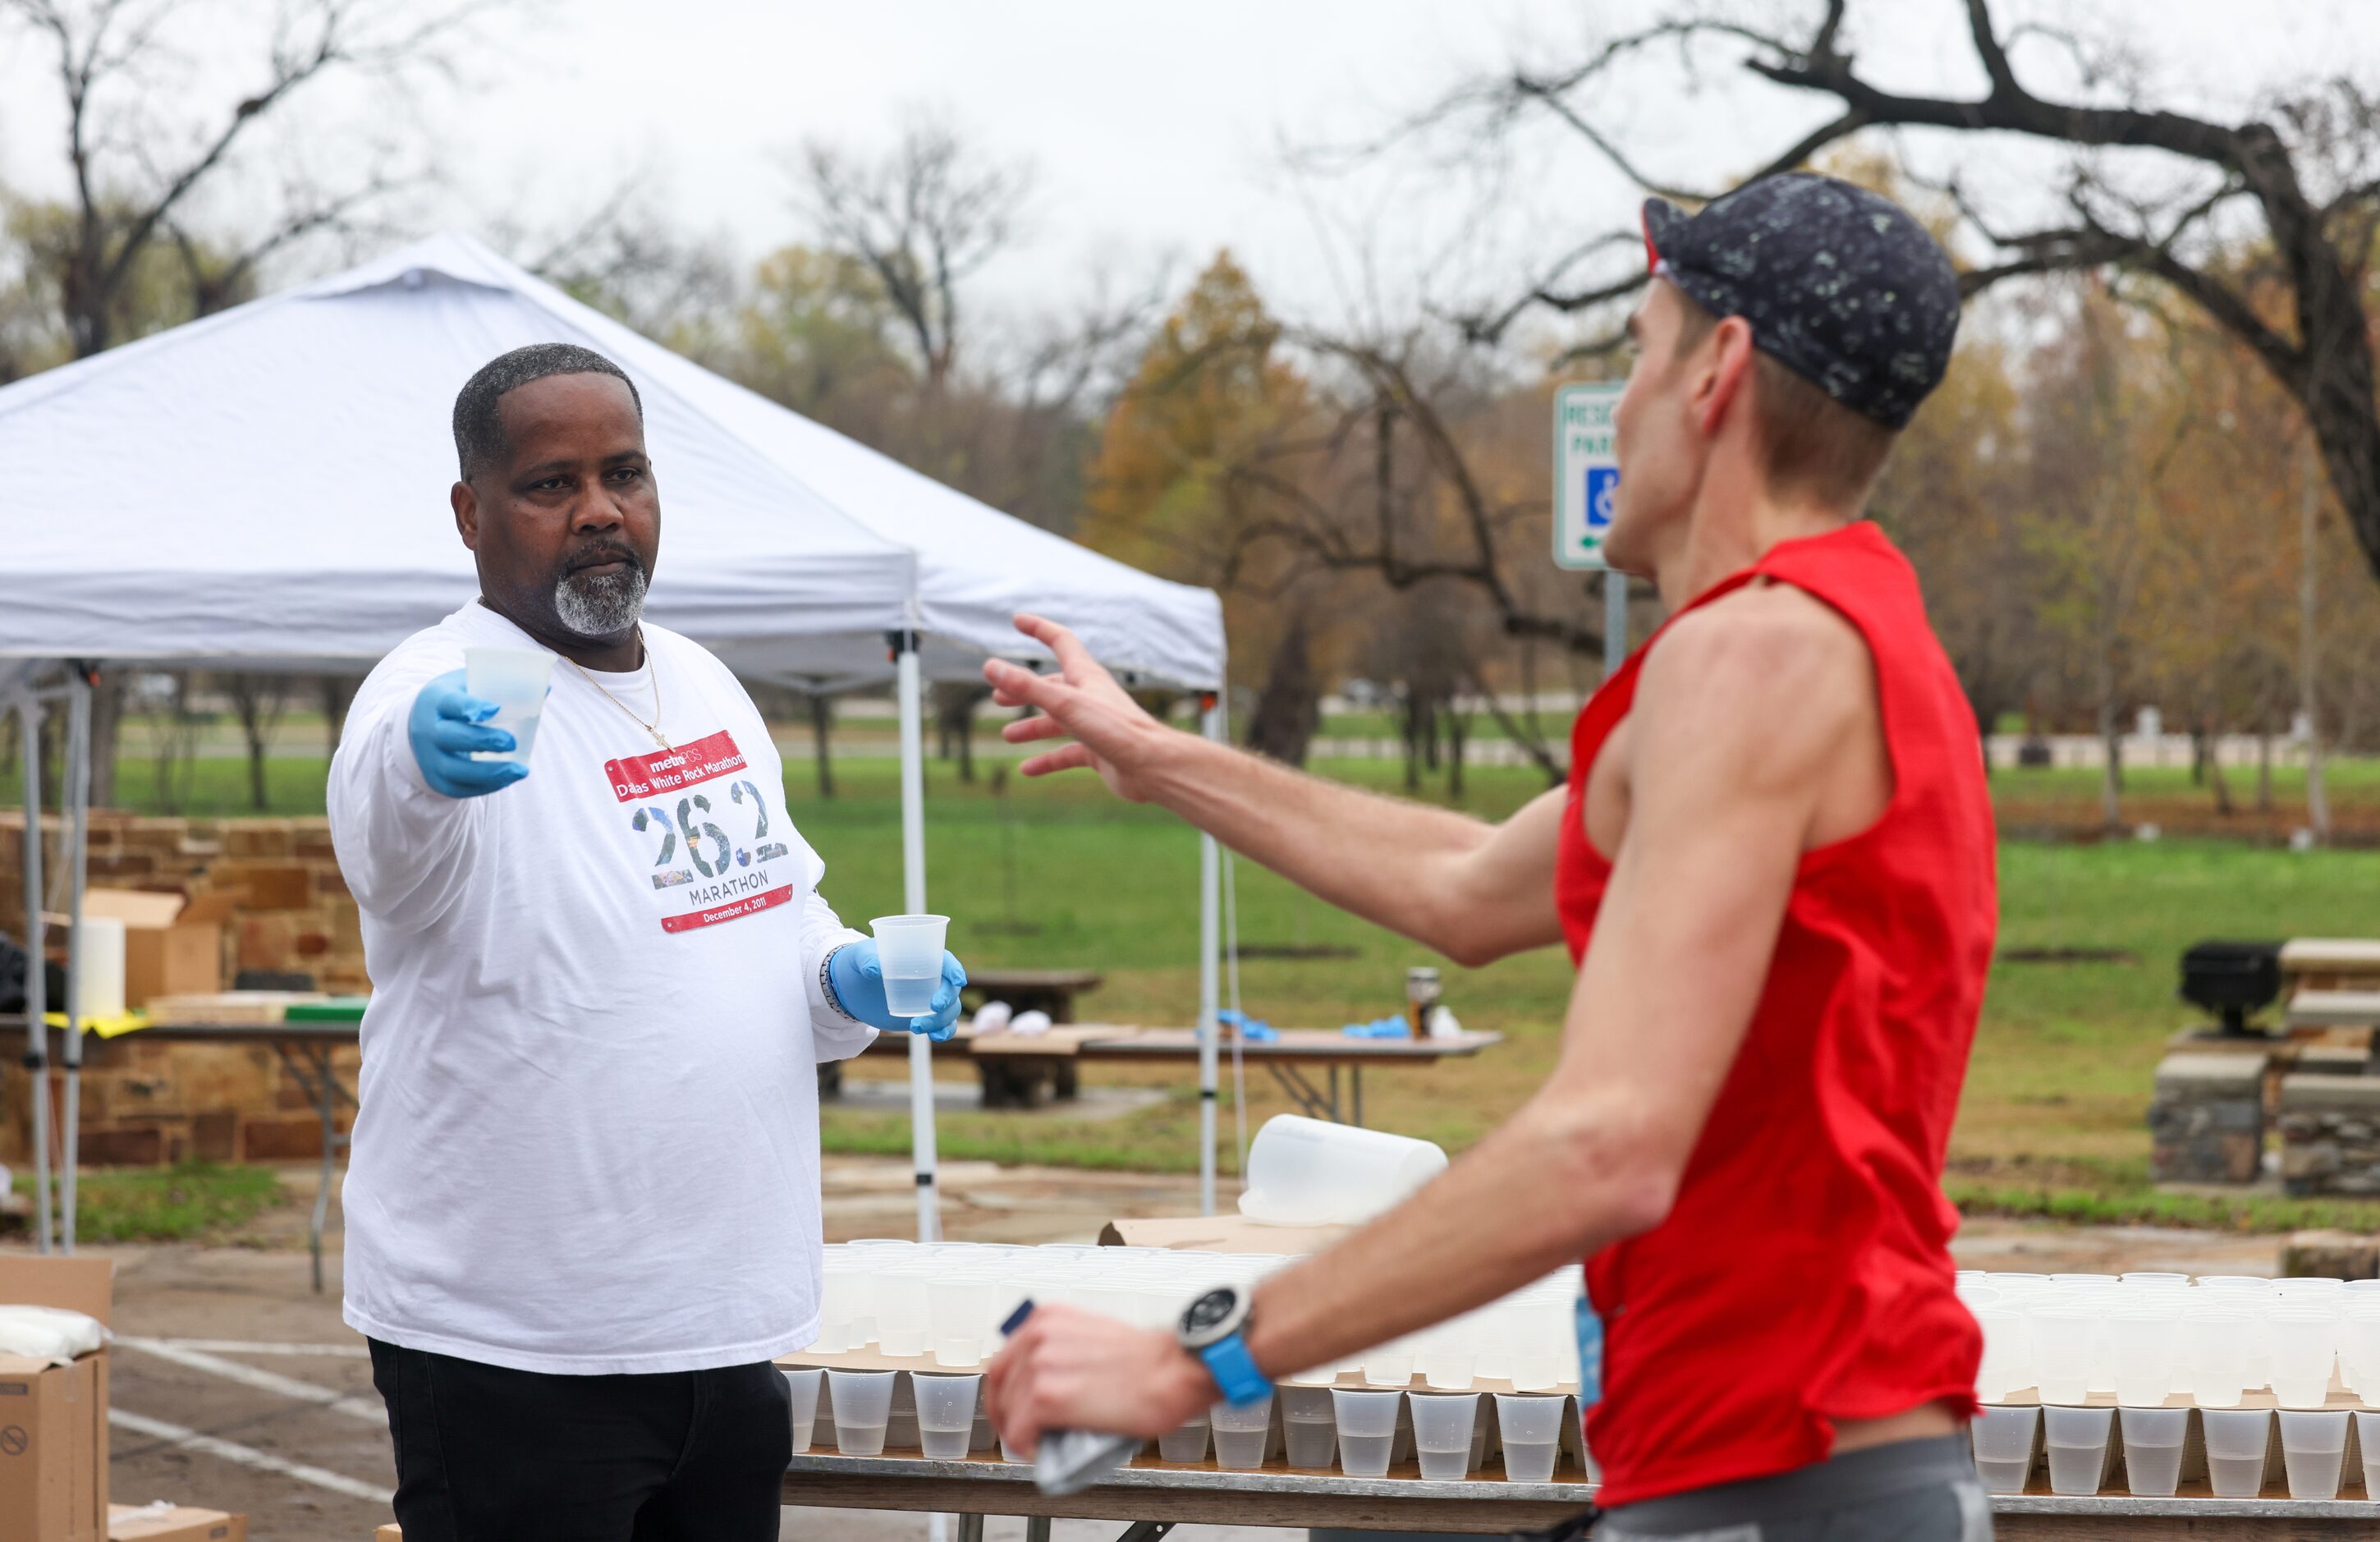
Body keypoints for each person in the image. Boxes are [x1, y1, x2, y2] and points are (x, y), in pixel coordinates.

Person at [984, 172, 1997, 1541]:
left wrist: (1187, 1357)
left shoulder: (1752, 654)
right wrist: (1159, 756)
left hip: (1785, 1476)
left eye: (1639, 352)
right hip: (1778, 1470)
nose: (1623, 403)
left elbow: (1610, 1141)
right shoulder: (1837, 642)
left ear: (1719, 374)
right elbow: (1464, 887)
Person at [327, 342, 969, 1542]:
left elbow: (771, 917)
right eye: (550, 484)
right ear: (471, 513)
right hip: (515, 1345)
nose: (600, 511)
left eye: (624, 472)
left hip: (723, 1327)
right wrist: (420, 758)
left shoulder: (706, 684)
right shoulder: (439, 685)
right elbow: (388, 844)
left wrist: (844, 977)